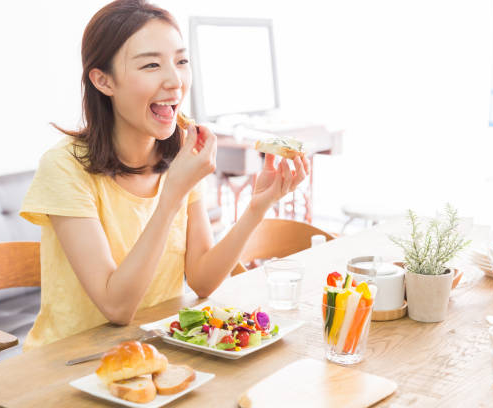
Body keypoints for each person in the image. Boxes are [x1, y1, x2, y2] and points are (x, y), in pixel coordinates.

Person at [20, 0, 309, 350]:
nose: (175, 81)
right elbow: (116, 307)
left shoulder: (180, 156)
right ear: (103, 80)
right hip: (68, 364)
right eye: (152, 65)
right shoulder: (64, 167)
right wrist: (172, 195)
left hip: (157, 352)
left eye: (181, 61)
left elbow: (202, 280)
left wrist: (257, 207)